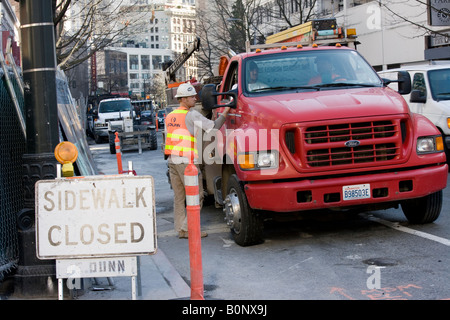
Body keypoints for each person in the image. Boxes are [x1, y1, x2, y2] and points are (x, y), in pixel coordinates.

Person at [165, 82, 231, 239]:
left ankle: (181, 229)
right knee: (197, 195)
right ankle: (190, 229)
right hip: (187, 163)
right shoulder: (192, 114)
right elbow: (214, 127)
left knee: (179, 197)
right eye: (192, 96)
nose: (195, 98)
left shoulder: (170, 116)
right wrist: (226, 111)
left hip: (173, 161)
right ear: (184, 99)